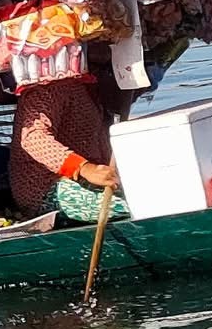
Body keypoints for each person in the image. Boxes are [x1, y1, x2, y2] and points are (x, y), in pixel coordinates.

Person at [10, 75, 125, 224]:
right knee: (130, 205)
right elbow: (33, 138)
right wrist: (83, 168)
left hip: (89, 180)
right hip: (44, 188)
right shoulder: (45, 88)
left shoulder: (87, 86)